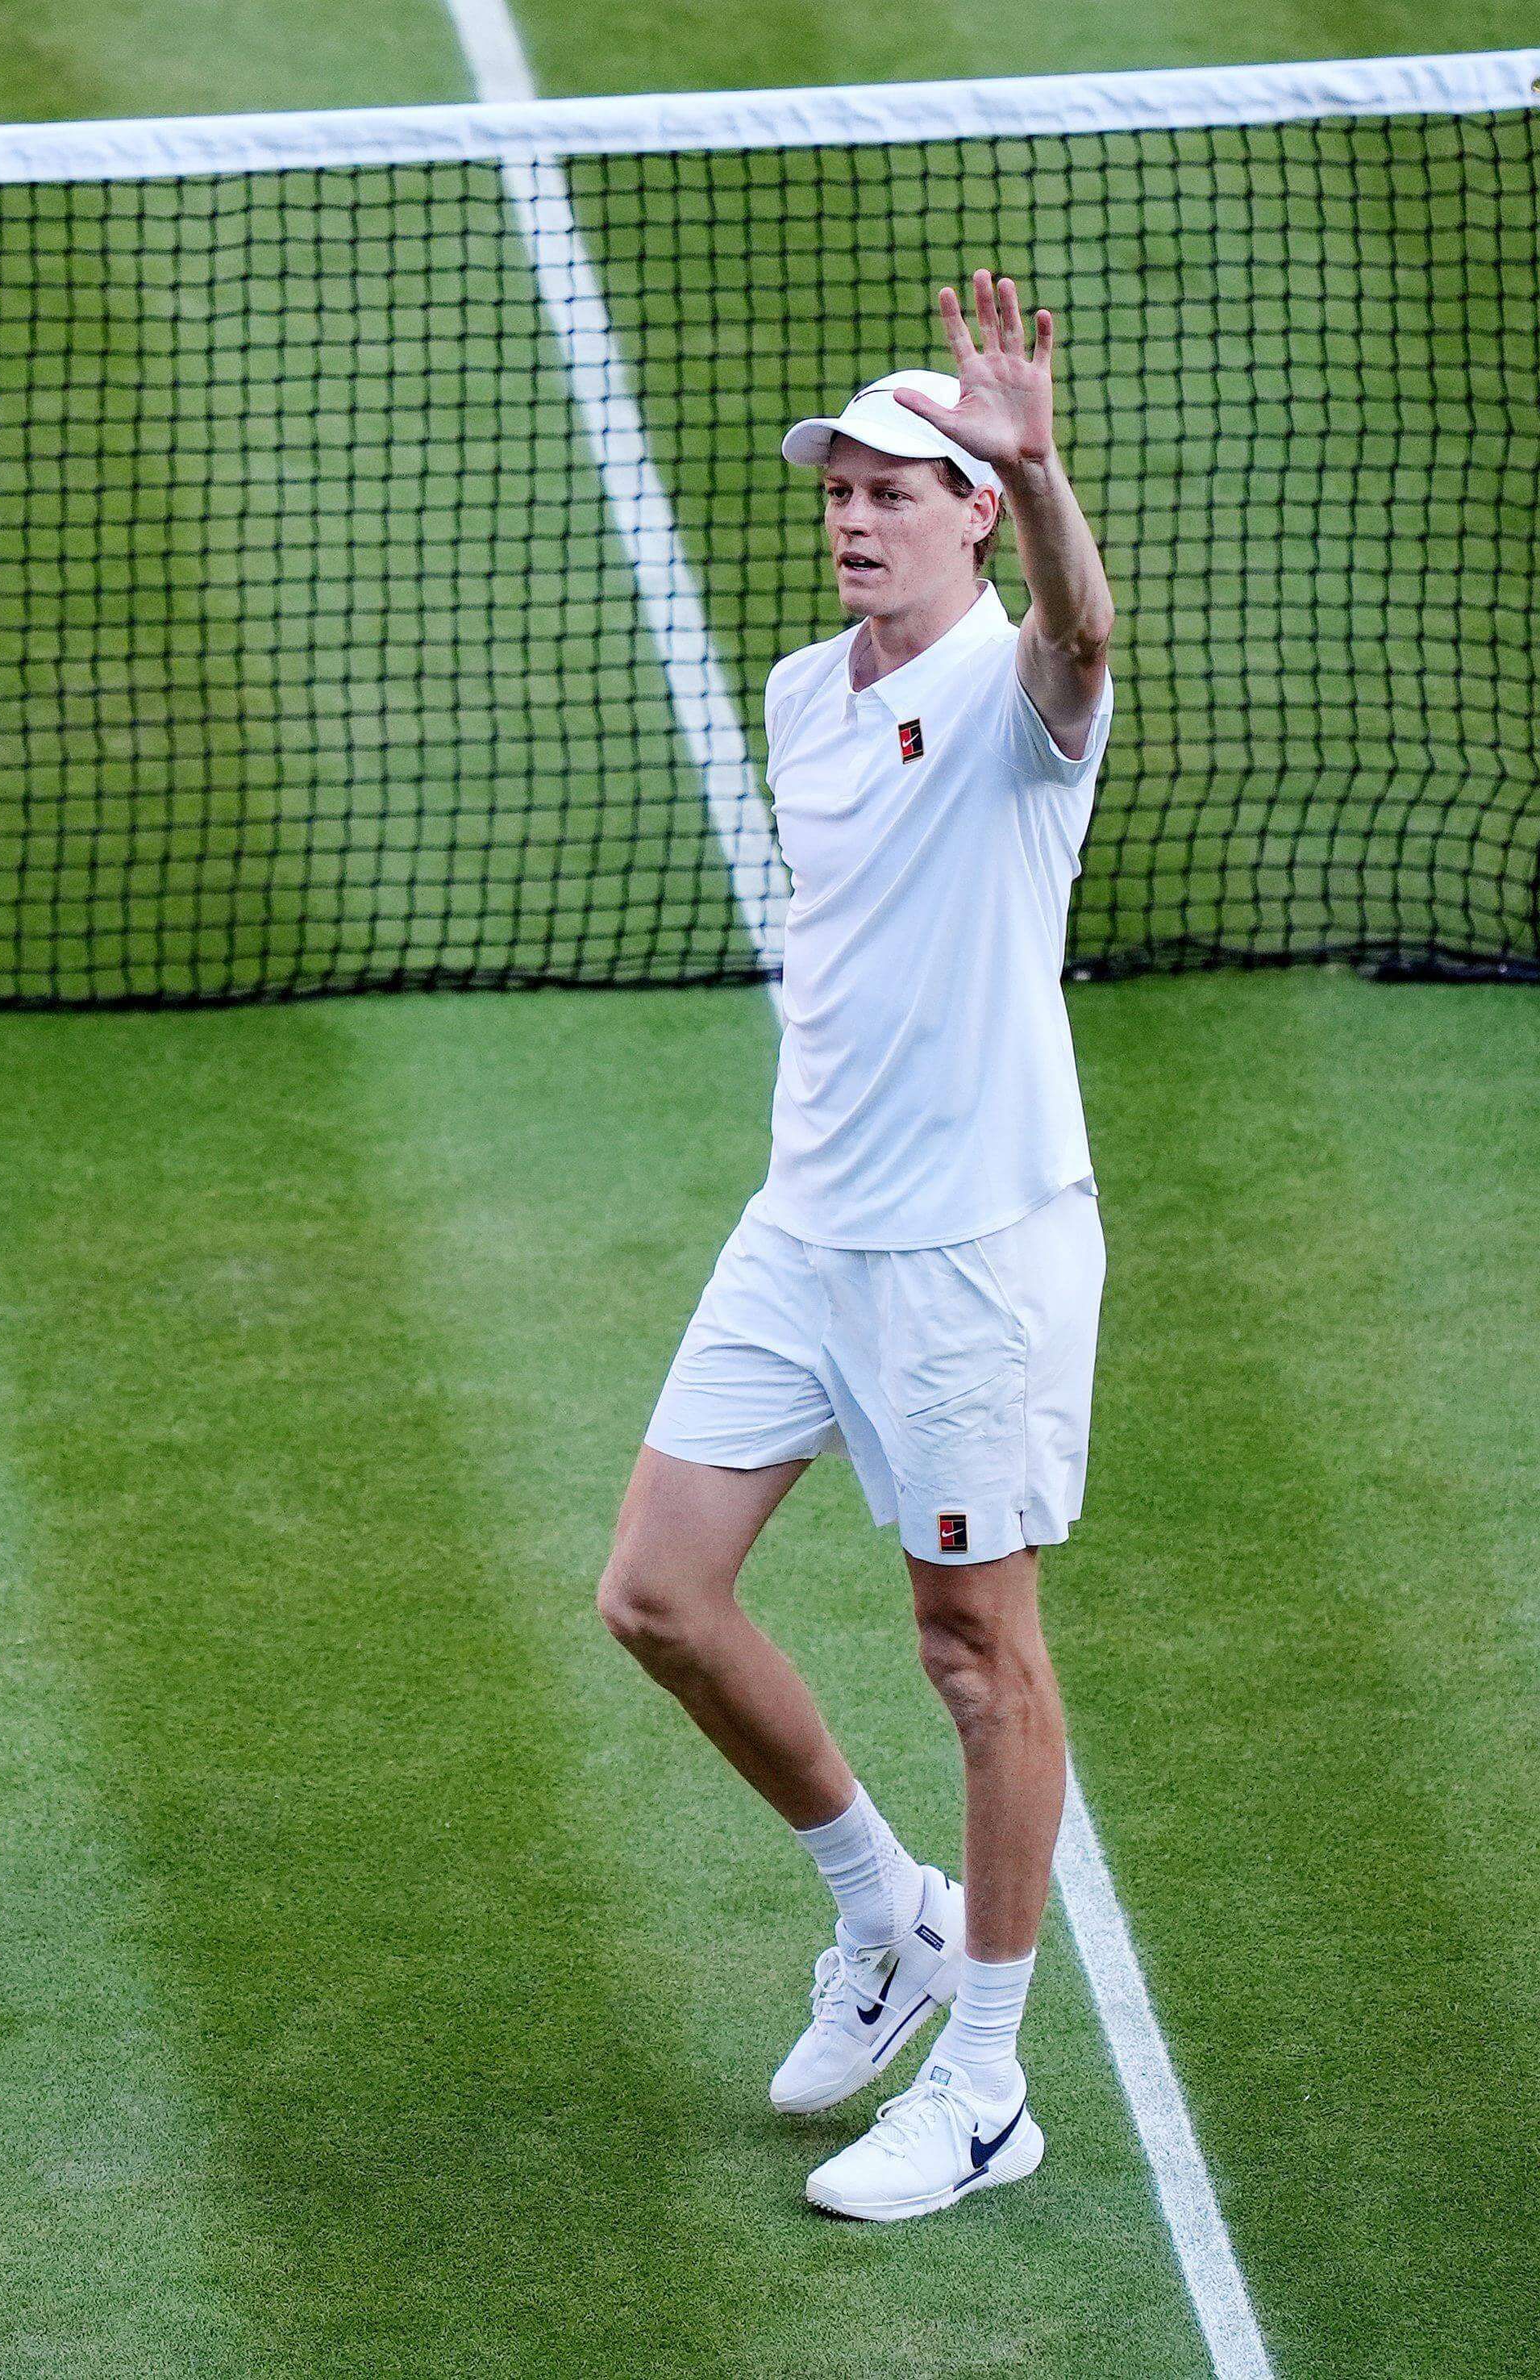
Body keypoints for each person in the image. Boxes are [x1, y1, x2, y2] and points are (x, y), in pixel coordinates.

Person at [594, 269, 1115, 2223]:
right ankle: (878, 1916)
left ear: (969, 511)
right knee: (654, 1598)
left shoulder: (1021, 695)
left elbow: (1080, 631)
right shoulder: (802, 692)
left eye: (898, 486)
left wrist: (1040, 468)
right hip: (803, 1230)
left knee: (974, 1658)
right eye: (840, 487)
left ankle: (982, 2081)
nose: (851, 512)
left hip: (970, 1257)